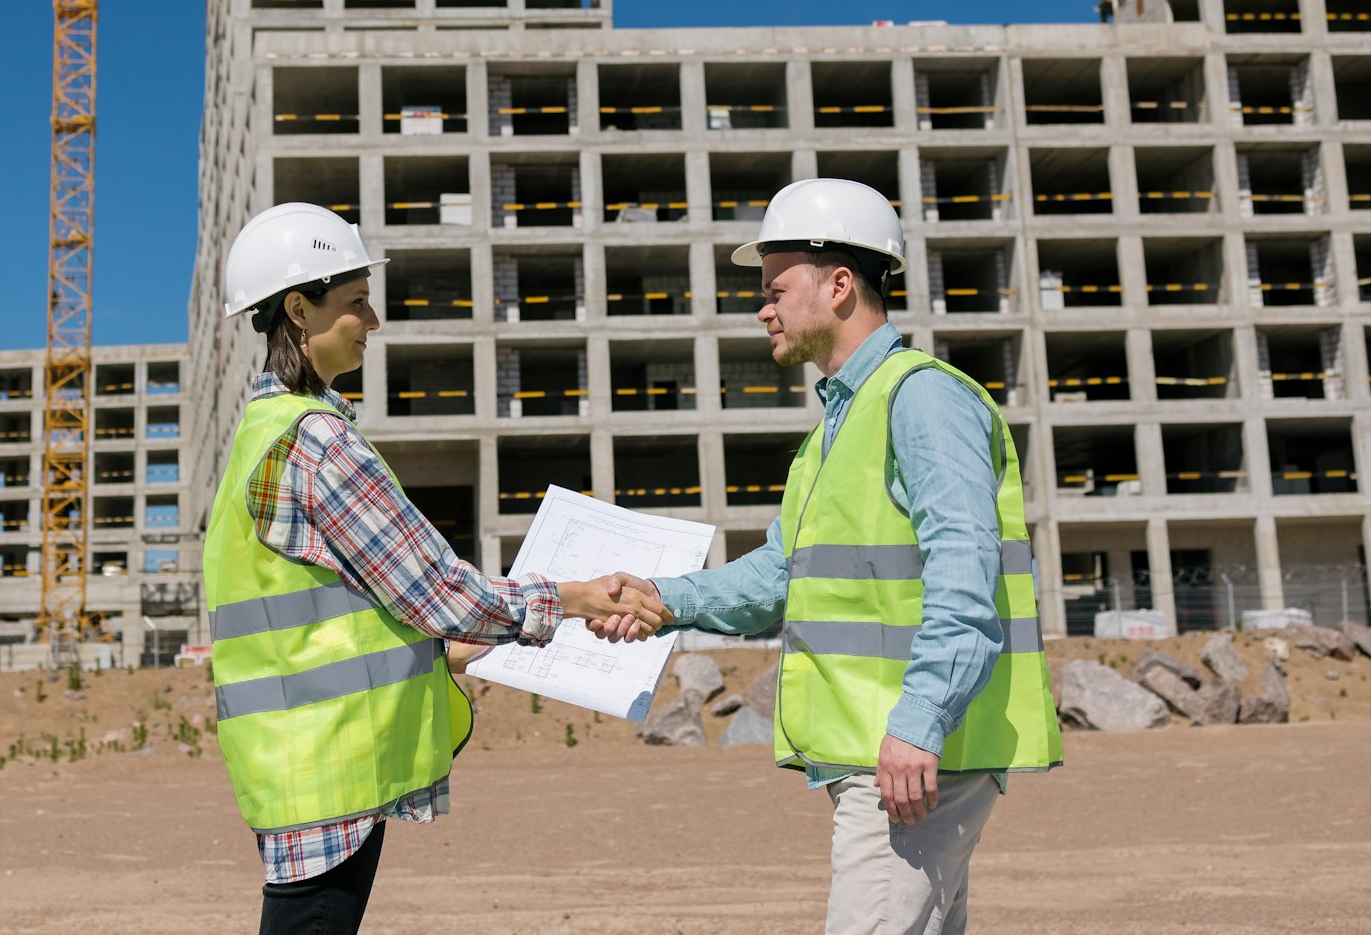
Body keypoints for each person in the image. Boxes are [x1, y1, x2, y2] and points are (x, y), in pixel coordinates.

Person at [592, 178, 1062, 934]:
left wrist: (919, 721)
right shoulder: (837, 427)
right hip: (886, 753)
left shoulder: (921, 400)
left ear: (840, 284)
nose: (762, 307)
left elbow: (964, 580)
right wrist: (661, 596)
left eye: (776, 288)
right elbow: (779, 574)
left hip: (907, 755)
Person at [205, 202, 667, 935]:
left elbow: (329, 613)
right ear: (298, 308)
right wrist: (577, 596)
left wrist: (441, 648)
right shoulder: (317, 443)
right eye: (356, 302)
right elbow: (440, 589)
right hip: (333, 770)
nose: (374, 320)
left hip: (289, 764)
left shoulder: (257, 437)